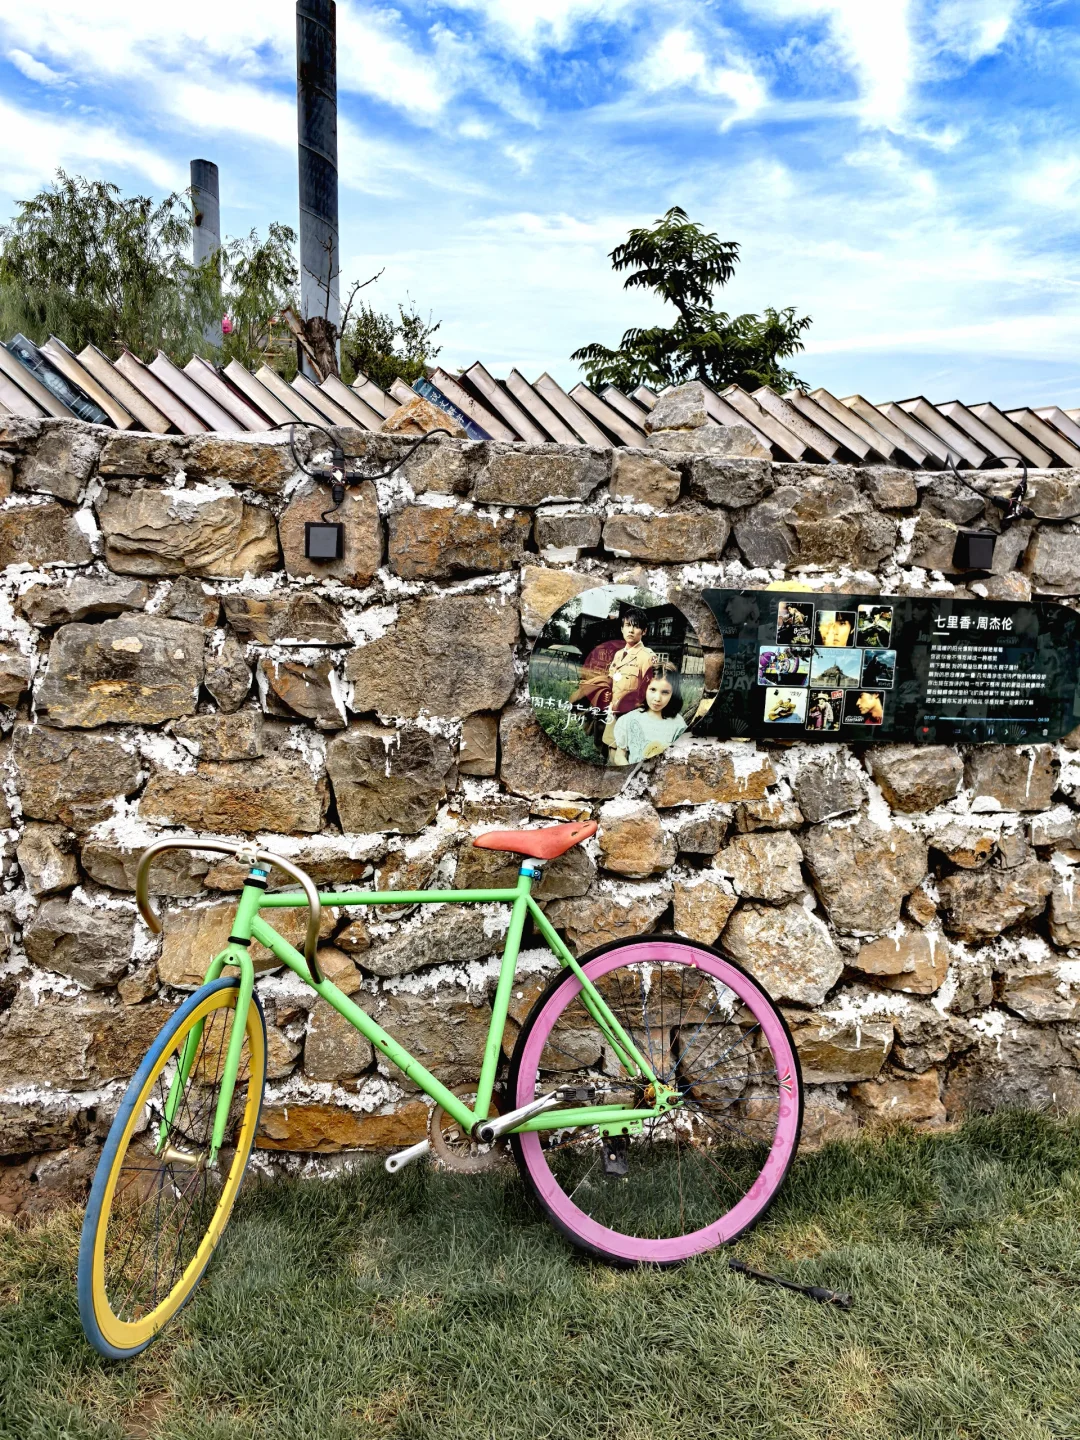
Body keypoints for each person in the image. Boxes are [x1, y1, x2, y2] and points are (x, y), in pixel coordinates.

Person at [612, 668, 687, 764]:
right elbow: (619, 756)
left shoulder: (678, 724)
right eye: (653, 690)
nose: (657, 698)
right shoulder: (628, 719)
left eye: (665, 692)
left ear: (673, 694)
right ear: (644, 690)